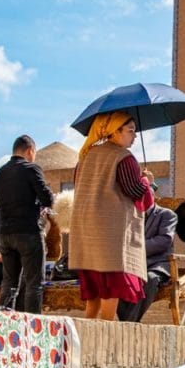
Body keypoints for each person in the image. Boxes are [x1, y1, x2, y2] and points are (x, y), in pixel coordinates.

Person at [69, 111, 153, 321]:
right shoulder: (123, 158)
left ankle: (88, 327)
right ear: (115, 132)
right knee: (111, 285)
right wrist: (147, 182)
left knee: (95, 286)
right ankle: (106, 327)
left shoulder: (86, 156)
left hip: (87, 232)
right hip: (110, 234)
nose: (134, 136)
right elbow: (135, 191)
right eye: (130, 131)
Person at [0, 134, 54, 314]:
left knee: (9, 282)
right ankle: (34, 328)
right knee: (34, 283)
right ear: (30, 151)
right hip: (28, 232)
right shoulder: (31, 169)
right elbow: (47, 199)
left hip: (5, 234)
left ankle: (3, 323)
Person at [117, 201, 176, 322]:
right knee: (116, 279)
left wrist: (136, 248)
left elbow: (165, 240)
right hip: (134, 264)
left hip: (157, 265)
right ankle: (127, 323)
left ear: (151, 196)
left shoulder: (167, 215)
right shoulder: (132, 215)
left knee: (150, 279)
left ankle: (128, 324)